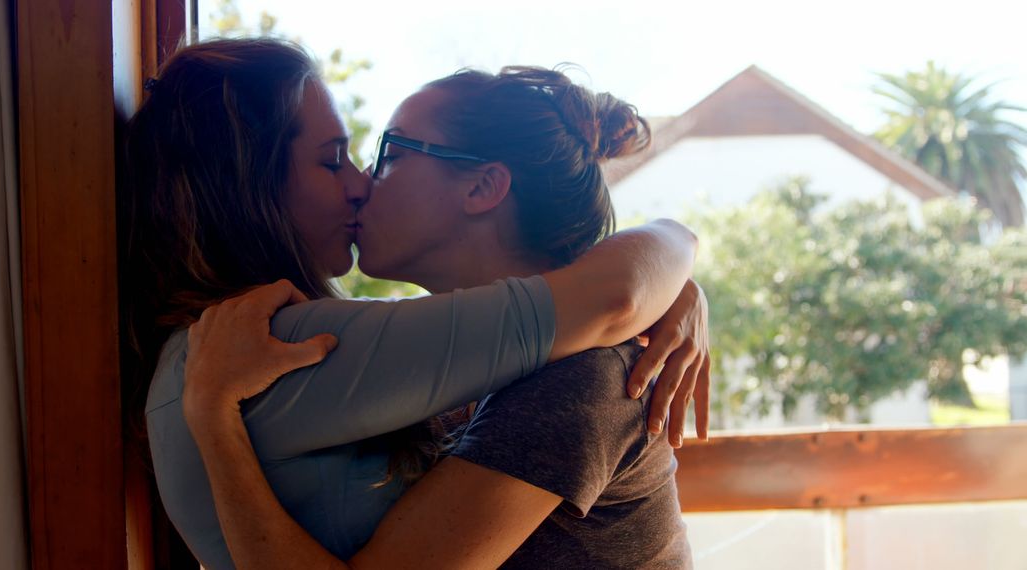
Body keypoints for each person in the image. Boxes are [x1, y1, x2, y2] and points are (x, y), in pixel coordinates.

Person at [124, 39, 706, 570]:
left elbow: (614, 297)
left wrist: (675, 273)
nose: (362, 183)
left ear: (482, 188)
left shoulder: (579, 376)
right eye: (336, 161)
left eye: (390, 153)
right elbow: (612, 294)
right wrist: (676, 265)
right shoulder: (468, 368)